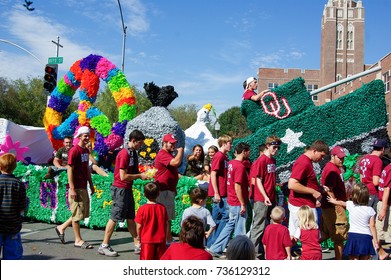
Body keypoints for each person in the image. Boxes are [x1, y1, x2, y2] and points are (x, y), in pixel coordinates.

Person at [97, 130, 149, 257]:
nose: (140, 145)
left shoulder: (133, 153)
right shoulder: (124, 154)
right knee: (115, 216)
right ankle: (104, 245)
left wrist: (146, 172)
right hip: (120, 189)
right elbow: (123, 176)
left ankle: (137, 244)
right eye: (140, 143)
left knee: (131, 217)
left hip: (127, 188)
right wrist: (140, 176)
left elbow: (135, 172)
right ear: (133, 141)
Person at [54, 126, 95, 249]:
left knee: (80, 213)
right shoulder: (74, 150)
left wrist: (91, 184)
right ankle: (78, 240)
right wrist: (72, 188)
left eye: (88, 135)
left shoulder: (85, 151)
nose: (87, 137)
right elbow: (69, 169)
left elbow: (87, 169)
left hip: (83, 185)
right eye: (85, 135)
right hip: (76, 186)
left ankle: (61, 227)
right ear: (79, 136)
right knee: (77, 213)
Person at [208, 142, 250, 257]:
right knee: (240, 228)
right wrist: (242, 203)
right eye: (248, 151)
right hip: (236, 201)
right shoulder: (240, 166)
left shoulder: (231, 163)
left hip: (231, 199)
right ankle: (239, 253)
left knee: (230, 224)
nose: (249, 154)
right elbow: (237, 186)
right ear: (244, 151)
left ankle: (216, 248)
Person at [288, 140, 329, 237]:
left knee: (301, 236)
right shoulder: (303, 162)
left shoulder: (307, 162)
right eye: (322, 155)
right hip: (301, 206)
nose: (322, 159)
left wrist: (319, 188)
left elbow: (306, 182)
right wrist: (313, 191)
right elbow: (292, 184)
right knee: (303, 236)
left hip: (305, 204)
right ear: (314, 151)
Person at [328, 183, 380, 260]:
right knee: (364, 259)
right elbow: (372, 226)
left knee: (353, 258)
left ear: (354, 195)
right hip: (366, 237)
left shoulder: (351, 205)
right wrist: (375, 241)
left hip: (354, 236)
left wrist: (332, 200)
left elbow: (341, 203)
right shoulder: (370, 210)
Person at [248, 136, 281, 257]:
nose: (276, 149)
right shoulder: (260, 161)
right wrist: (265, 196)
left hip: (272, 197)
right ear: (267, 146)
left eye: (278, 147)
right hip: (261, 199)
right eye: (274, 147)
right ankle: (252, 254)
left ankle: (271, 251)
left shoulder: (273, 160)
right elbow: (258, 180)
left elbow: (269, 179)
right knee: (259, 226)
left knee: (272, 225)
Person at [319, 146, 349, 260]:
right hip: (333, 208)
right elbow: (329, 190)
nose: (342, 160)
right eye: (339, 158)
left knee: (325, 234)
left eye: (343, 158)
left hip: (329, 207)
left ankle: (306, 250)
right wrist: (337, 205)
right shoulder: (331, 169)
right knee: (339, 237)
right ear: (332, 156)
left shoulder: (334, 167)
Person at [154, 133, 184, 244]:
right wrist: (180, 151)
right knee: (165, 217)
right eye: (171, 143)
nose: (173, 145)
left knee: (167, 217)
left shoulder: (168, 154)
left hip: (168, 189)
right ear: (164, 143)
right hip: (163, 189)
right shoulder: (163, 154)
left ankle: (168, 238)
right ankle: (166, 240)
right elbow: (176, 163)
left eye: (174, 143)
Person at [207, 135, 232, 248]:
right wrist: (216, 192)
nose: (231, 145)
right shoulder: (219, 156)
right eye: (229, 143)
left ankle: (211, 243)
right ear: (223, 144)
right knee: (226, 216)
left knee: (215, 219)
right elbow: (213, 174)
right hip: (219, 193)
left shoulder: (225, 157)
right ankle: (217, 242)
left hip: (223, 191)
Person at [0, 153, 27, 260]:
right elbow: (22, 205)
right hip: (13, 224)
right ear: (15, 167)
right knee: (13, 255)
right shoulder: (18, 183)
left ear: (0, 167)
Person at [135, 182, 168, 260]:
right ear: (158, 193)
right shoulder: (162, 208)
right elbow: (166, 224)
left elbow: (139, 226)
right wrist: (165, 236)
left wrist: (139, 236)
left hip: (147, 240)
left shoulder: (142, 209)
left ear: (144, 194)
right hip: (160, 239)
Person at [359, 138, 388, 211]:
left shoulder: (363, 159)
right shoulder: (377, 161)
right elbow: (375, 182)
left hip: (363, 192)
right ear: (383, 149)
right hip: (373, 193)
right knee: (372, 218)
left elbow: (361, 179)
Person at [375, 161, 391, 258]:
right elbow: (386, 189)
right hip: (386, 204)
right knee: (382, 231)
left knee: (381, 231)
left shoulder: (387, 167)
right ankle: (380, 253)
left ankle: (381, 253)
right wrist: (384, 209)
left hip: (383, 203)